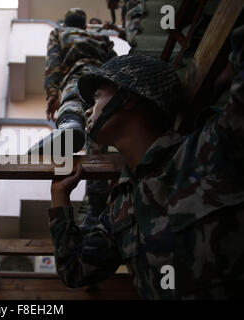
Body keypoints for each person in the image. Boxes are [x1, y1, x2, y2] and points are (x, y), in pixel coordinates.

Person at [48, 26, 244, 299]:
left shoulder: (211, 146)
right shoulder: (121, 208)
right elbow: (75, 270)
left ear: (128, 98)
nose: (90, 110)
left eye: (97, 97)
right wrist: (60, 198)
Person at [28, 8, 116, 155]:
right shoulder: (101, 37)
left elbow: (53, 63)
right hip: (103, 79)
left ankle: (71, 124)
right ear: (85, 26)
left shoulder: (59, 33)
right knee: (98, 118)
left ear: (65, 23)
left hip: (78, 73)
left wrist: (52, 94)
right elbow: (114, 60)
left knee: (74, 100)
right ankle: (97, 170)